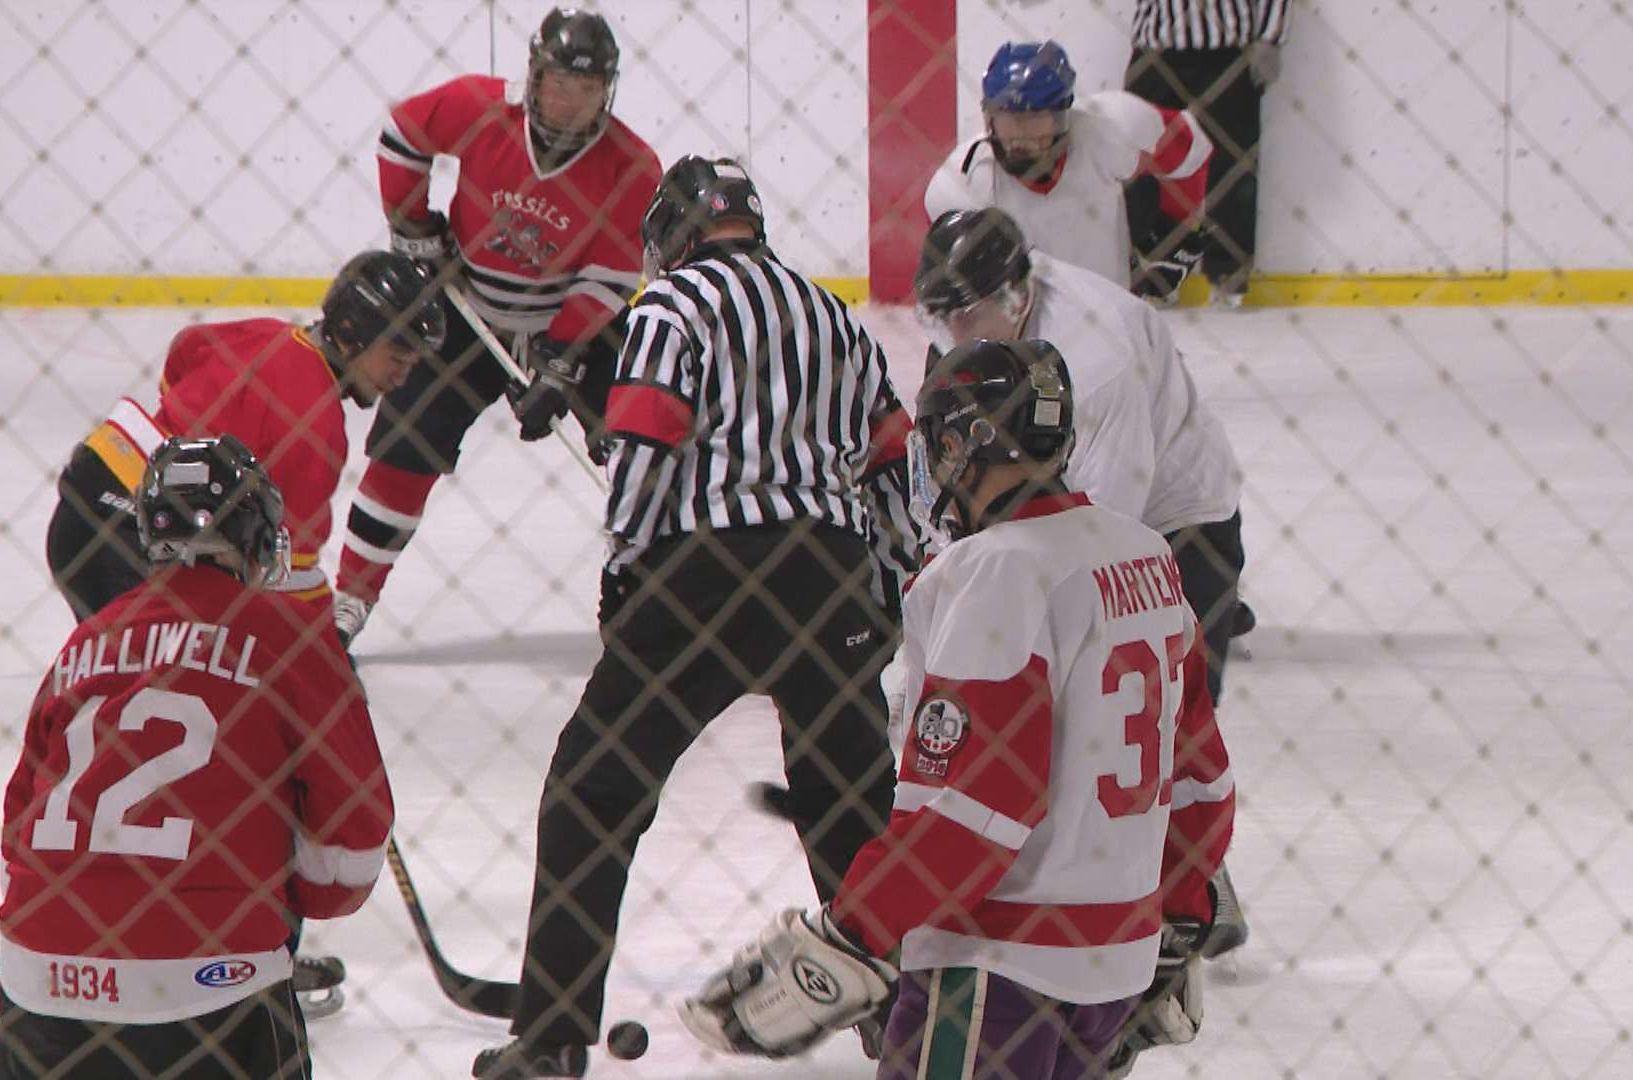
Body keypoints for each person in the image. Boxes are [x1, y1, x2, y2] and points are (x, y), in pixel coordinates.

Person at [470, 155, 923, 1079]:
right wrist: (886, 584)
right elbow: (891, 466)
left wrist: (626, 573)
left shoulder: (669, 310)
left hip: (706, 579)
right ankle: (905, 1021)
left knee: (593, 794)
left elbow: (641, 453)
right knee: (854, 808)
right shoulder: (834, 316)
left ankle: (553, 1036)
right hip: (831, 576)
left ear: (671, 237)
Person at [678, 338, 1236, 1079]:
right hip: (1116, 969)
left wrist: (852, 933)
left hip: (999, 969)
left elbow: (976, 812)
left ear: (962, 444)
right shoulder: (1140, 553)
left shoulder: (996, 573)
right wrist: (1183, 916)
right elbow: (1200, 781)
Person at [0, 435, 394, 1079]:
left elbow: (17, 833)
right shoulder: (288, 636)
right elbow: (347, 861)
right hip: (207, 987)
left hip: (41, 985)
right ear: (257, 537)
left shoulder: (84, 643)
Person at [914, 208, 1251, 957]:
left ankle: (1193, 887)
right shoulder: (981, 331)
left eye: (968, 314)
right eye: (943, 314)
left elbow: (1099, 543)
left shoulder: (1097, 368)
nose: (954, 332)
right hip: (1088, 512)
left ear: (1017, 294)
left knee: (1147, 705)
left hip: (1178, 521)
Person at [334, 6, 663, 645]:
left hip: (570, 327)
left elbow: (611, 278)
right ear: (534, 77)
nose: (570, 103)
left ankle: (655, 591)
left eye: (588, 90)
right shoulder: (482, 110)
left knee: (638, 442)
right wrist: (415, 228)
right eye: (560, 85)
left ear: (609, 93)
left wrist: (561, 361)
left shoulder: (632, 165)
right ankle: (351, 595)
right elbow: (403, 136)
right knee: (404, 447)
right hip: (467, 311)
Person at [46, 250, 445, 622]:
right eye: (396, 358)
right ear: (351, 331)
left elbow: (185, 352)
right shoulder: (319, 427)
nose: (402, 376)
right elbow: (291, 570)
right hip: (134, 544)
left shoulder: (265, 332)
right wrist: (328, 650)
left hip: (86, 494)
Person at [925, 40, 1212, 304]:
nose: (1020, 135)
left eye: (1036, 118)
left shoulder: (1113, 130)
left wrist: (1179, 230)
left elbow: (1191, 149)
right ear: (989, 118)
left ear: (1064, 114)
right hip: (1019, 343)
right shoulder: (959, 185)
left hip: (1115, 327)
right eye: (1008, 118)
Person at [1124, 0, 1293, 308]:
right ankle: (1156, 272)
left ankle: (1228, 273)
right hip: (1155, 42)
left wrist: (1270, 38)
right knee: (1141, 160)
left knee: (1233, 162)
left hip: (1228, 46)